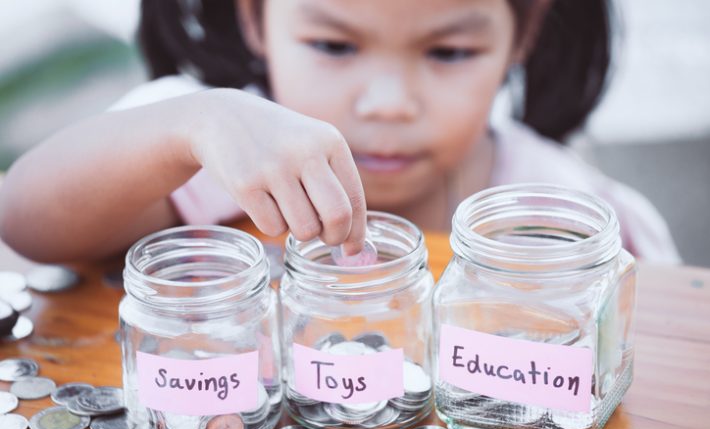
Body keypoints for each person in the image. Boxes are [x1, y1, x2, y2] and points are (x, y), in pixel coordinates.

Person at [0, 0, 681, 264]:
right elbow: (23, 219)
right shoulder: (198, 149)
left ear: (521, 37)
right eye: (333, 45)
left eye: (447, 53)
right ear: (255, 21)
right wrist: (192, 124)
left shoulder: (563, 212)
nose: (387, 103)